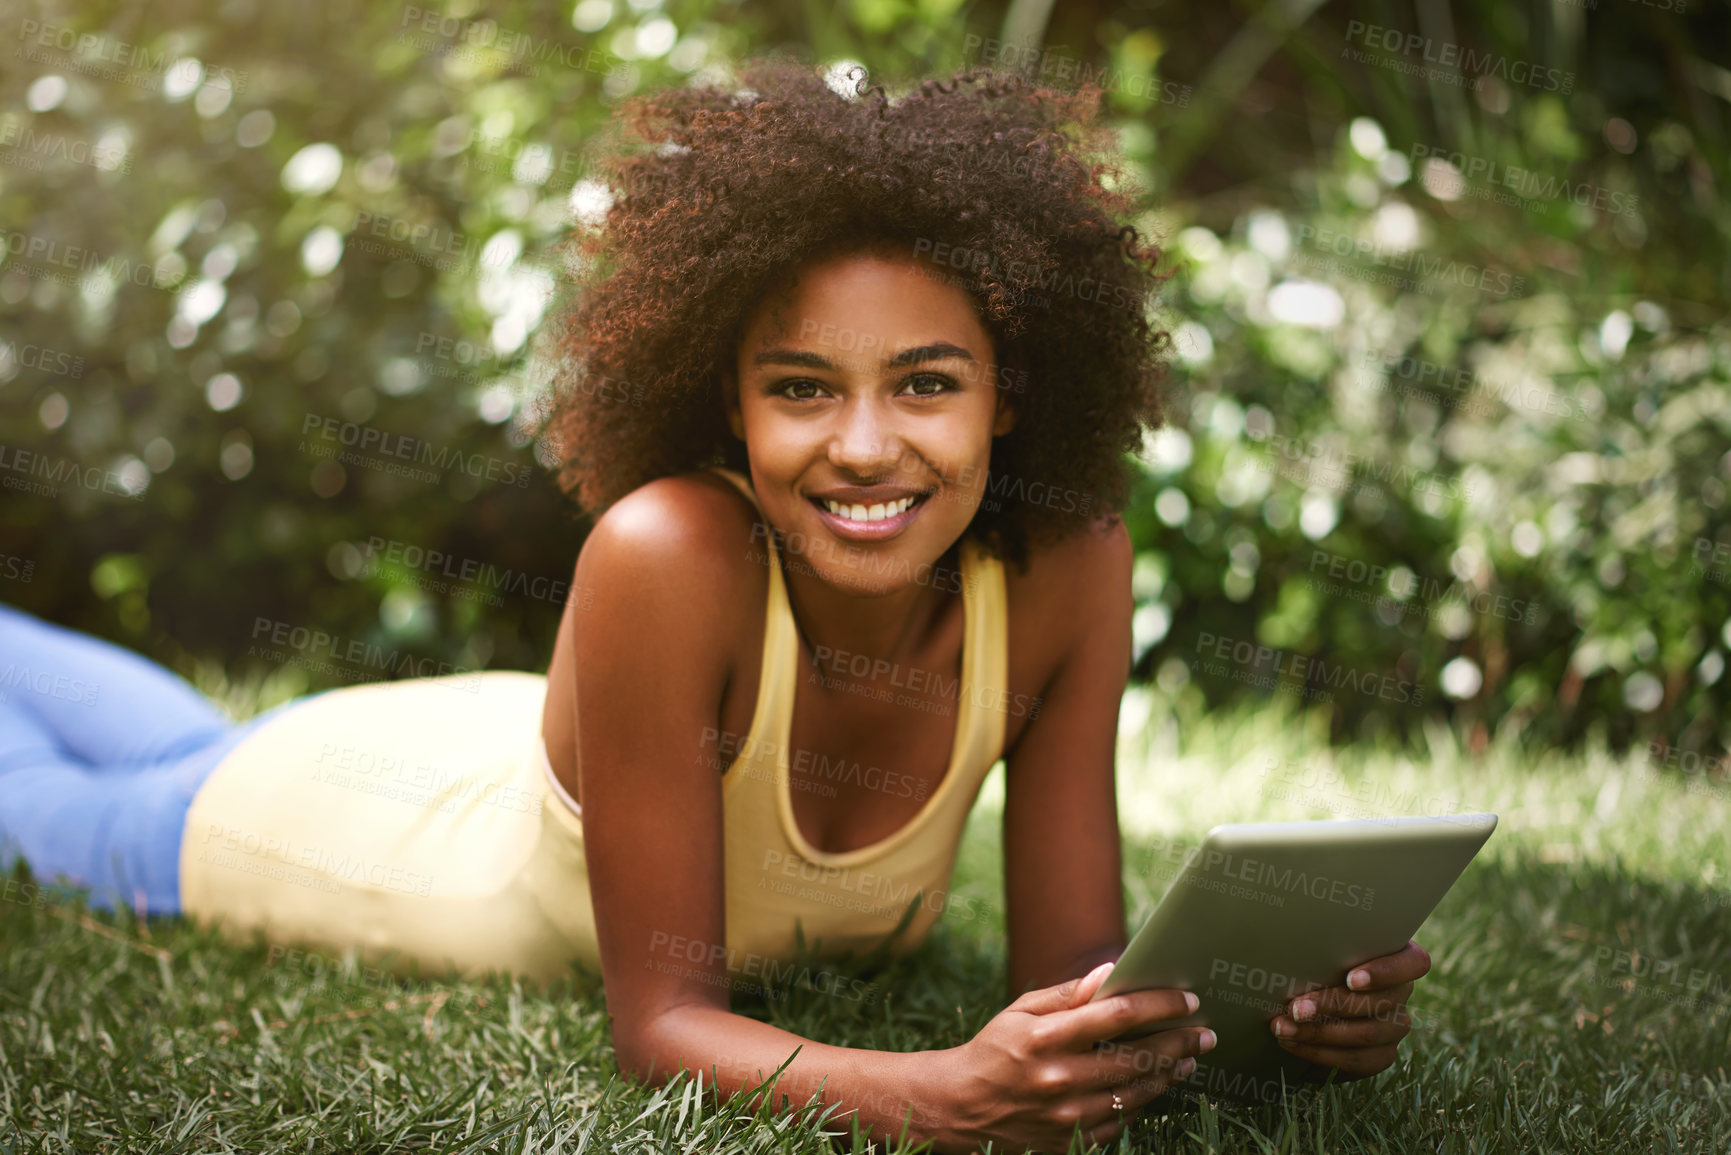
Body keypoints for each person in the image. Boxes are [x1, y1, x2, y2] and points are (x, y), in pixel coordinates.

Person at [0, 61, 1431, 1154]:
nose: (865, 446)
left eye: (927, 382)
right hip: (322, 825)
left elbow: (1071, 974)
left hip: (477, 745)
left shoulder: (1070, 566)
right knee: (72, 795)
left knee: (135, 712)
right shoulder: (667, 550)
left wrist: (1275, 1015)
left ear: (1014, 402)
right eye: (802, 387)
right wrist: (941, 1096)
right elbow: (666, 1029)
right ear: (727, 408)